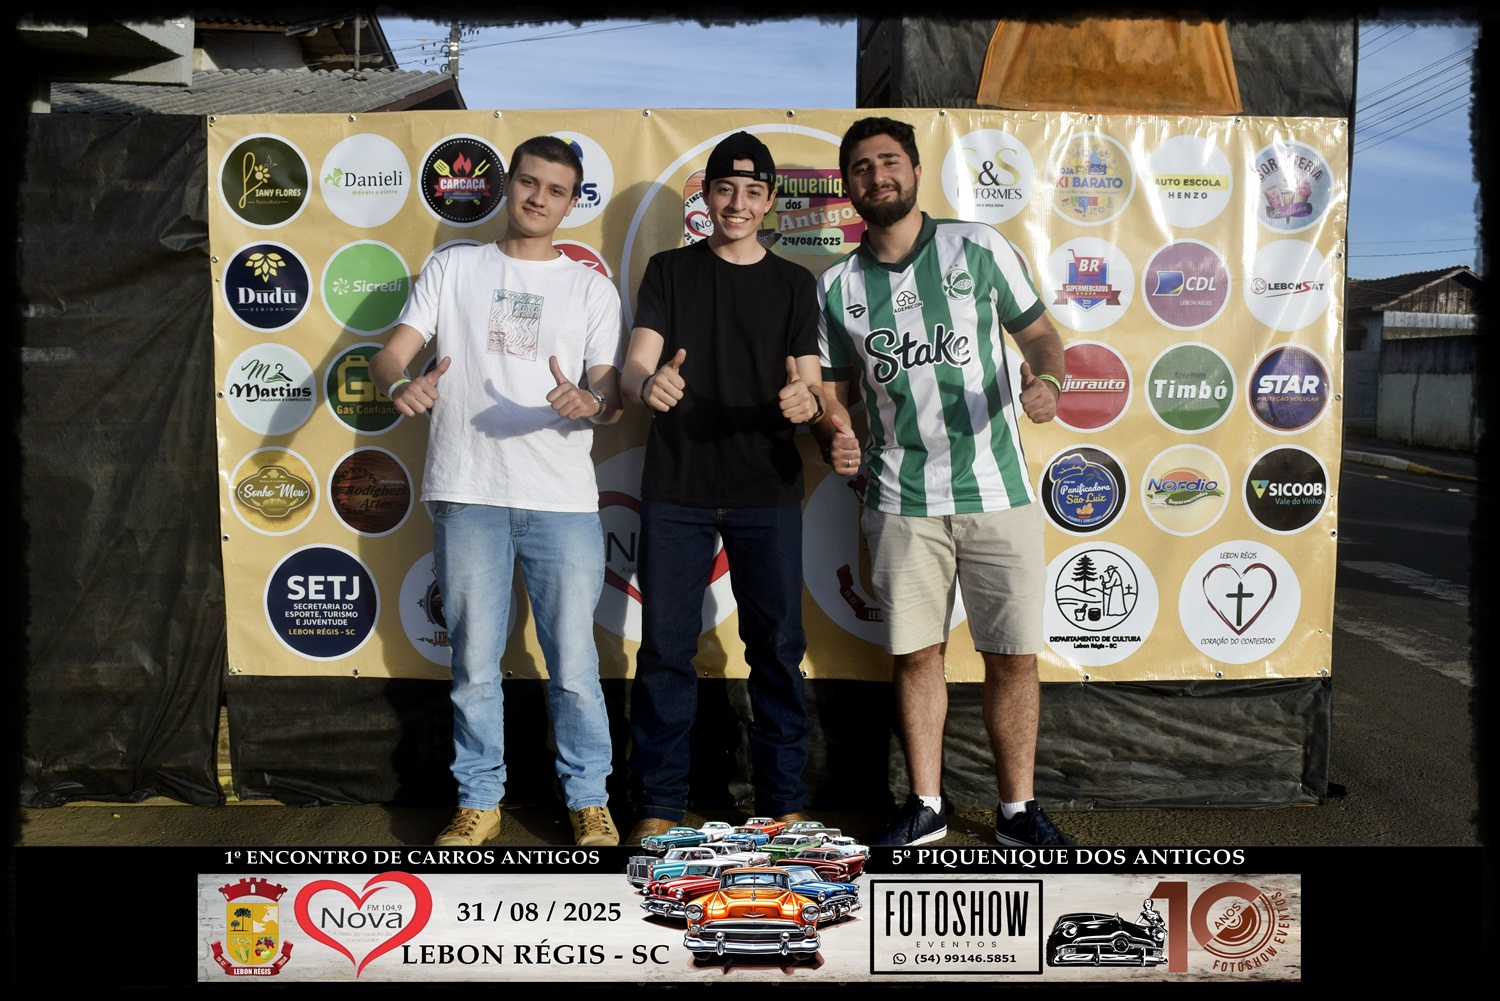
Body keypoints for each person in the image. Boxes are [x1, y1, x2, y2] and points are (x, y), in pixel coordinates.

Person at [811, 116, 1076, 847]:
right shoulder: (836, 285)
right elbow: (832, 396)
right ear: (849, 185)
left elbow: (1041, 336)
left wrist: (1050, 382)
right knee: (916, 655)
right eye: (861, 167)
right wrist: (832, 435)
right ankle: (926, 804)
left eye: (888, 161)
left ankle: (1017, 810)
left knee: (1012, 657)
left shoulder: (978, 246)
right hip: (900, 501)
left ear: (915, 170)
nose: (877, 176)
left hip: (998, 494)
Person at [369, 135, 625, 848]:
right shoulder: (454, 266)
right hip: (467, 491)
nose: (539, 198)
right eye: (529, 183)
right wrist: (399, 384)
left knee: (574, 665)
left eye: (556, 190)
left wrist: (591, 403)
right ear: (507, 185)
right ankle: (478, 800)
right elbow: (391, 354)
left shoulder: (591, 288)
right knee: (474, 665)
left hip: (562, 500)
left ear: (572, 204)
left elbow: (609, 395)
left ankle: (589, 799)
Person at [620, 131, 860, 844]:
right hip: (678, 488)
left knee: (777, 648)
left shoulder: (793, 284)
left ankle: (783, 803)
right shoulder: (668, 271)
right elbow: (636, 366)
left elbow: (809, 386)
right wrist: (648, 386)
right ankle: (659, 802)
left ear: (769, 201)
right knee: (666, 648)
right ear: (707, 194)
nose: (737, 204)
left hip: (766, 490)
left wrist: (807, 405)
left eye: (753, 192)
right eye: (725, 188)